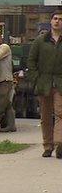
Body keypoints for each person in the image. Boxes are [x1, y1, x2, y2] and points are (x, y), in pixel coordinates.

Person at [27, 11, 62, 158]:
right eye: (55, 18)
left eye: (60, 19)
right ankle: (48, 146)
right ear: (51, 21)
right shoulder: (40, 41)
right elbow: (31, 61)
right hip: (44, 83)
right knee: (46, 116)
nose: (57, 21)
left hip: (60, 83)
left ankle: (60, 144)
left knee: (60, 113)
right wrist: (35, 78)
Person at [0, 33, 16, 132]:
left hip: (5, 81)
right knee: (7, 104)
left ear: (1, 40)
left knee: (0, 106)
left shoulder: (4, 47)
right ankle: (11, 126)